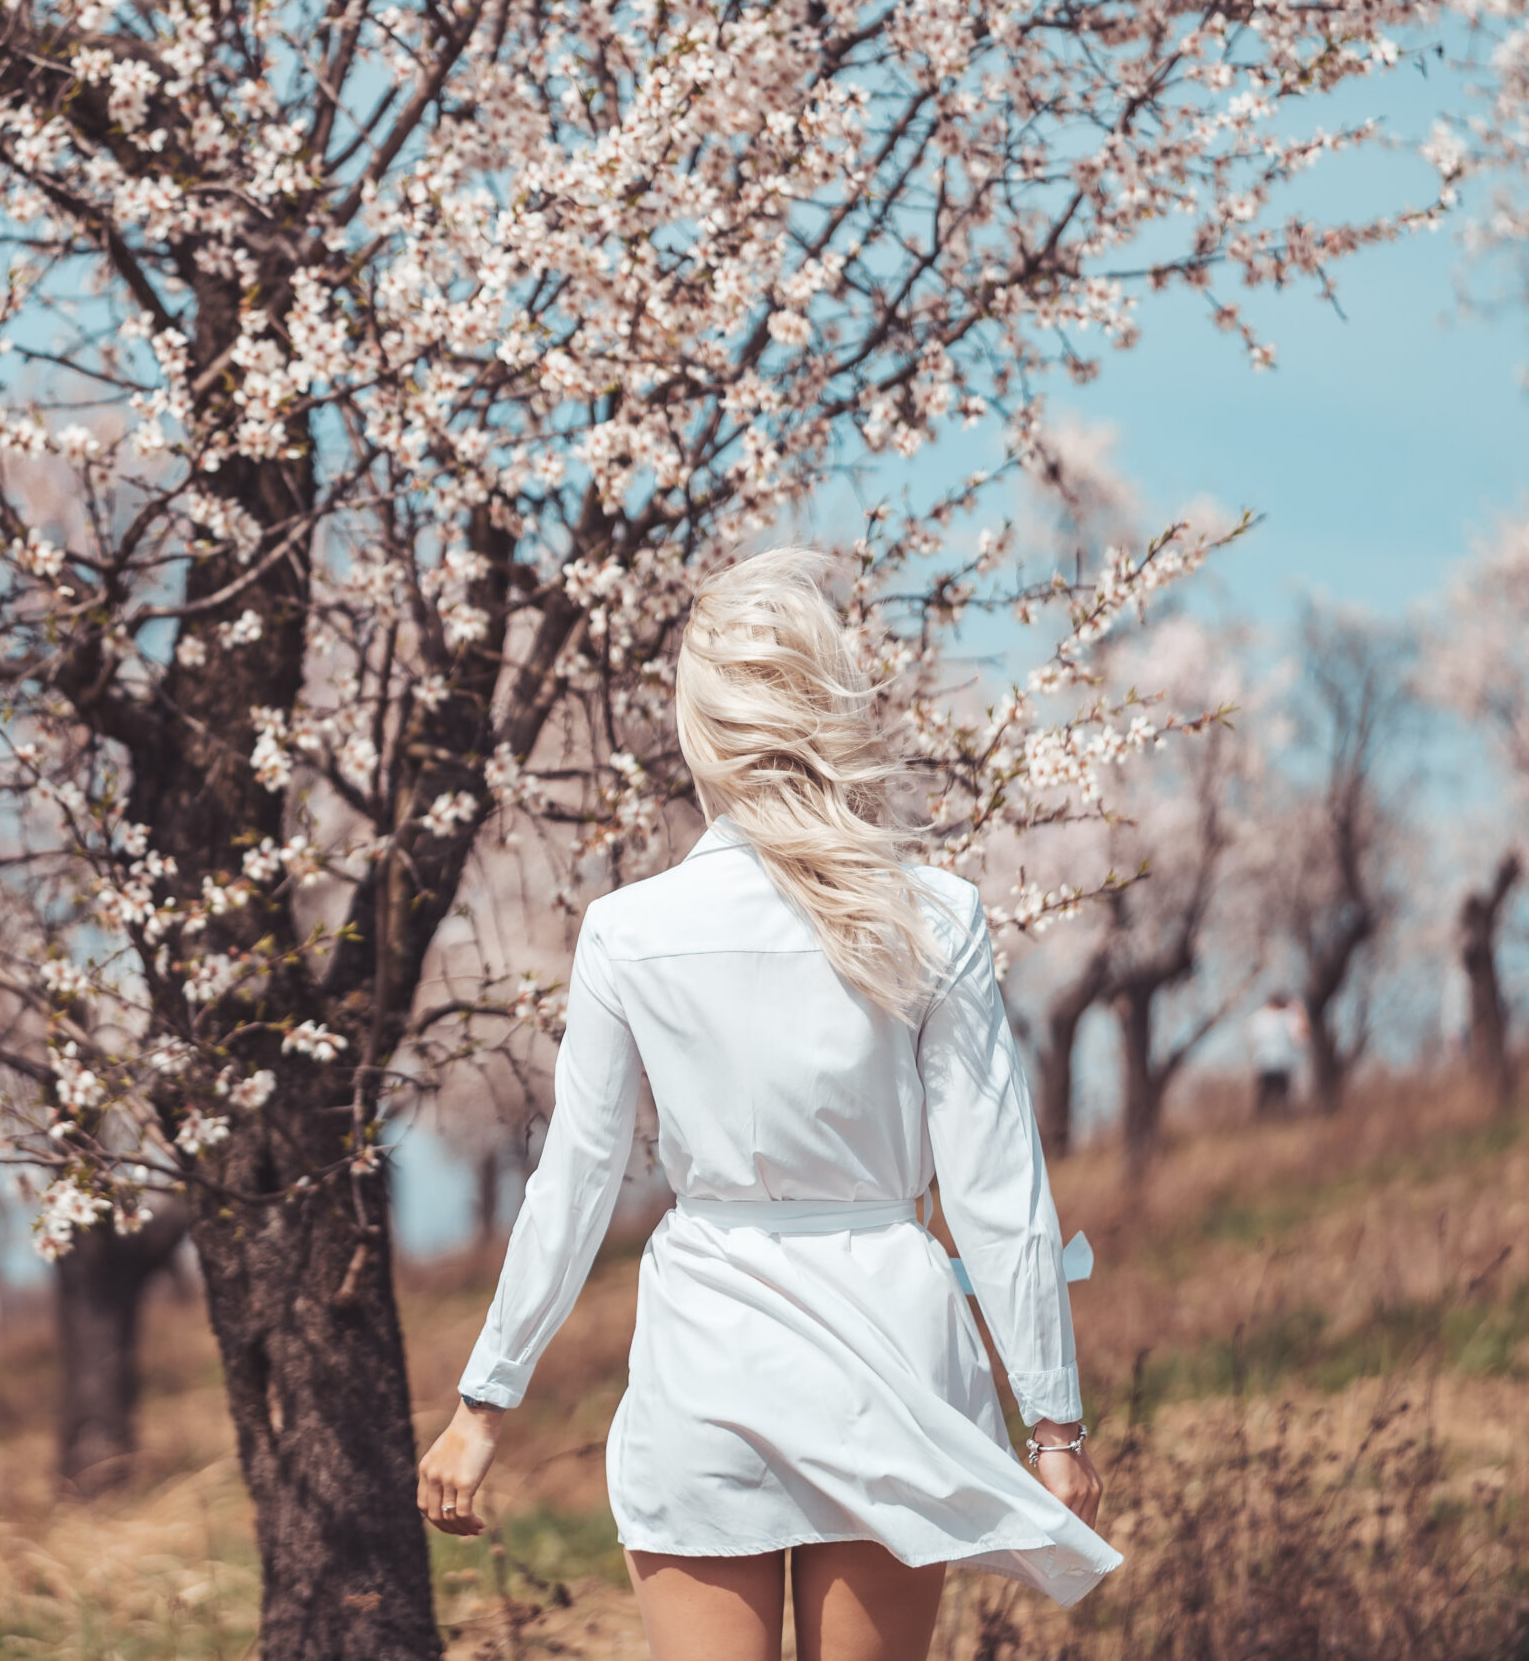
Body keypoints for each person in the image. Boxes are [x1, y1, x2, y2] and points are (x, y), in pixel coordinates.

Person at [417, 550, 1118, 1661]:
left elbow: (574, 1187)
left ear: (701, 733)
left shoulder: (628, 931)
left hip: (710, 1360)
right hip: (891, 1362)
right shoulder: (934, 918)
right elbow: (997, 1191)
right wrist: (1054, 1420)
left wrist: (481, 1408)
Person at [1246, 992, 1306, 1114]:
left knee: (1284, 1098)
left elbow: (1302, 1035)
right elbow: (1251, 1039)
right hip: (1265, 1063)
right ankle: (1261, 1123)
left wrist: (1300, 1011)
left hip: (1283, 1063)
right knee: (1264, 1096)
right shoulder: (1258, 1018)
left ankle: (1283, 1123)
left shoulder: (1287, 1017)